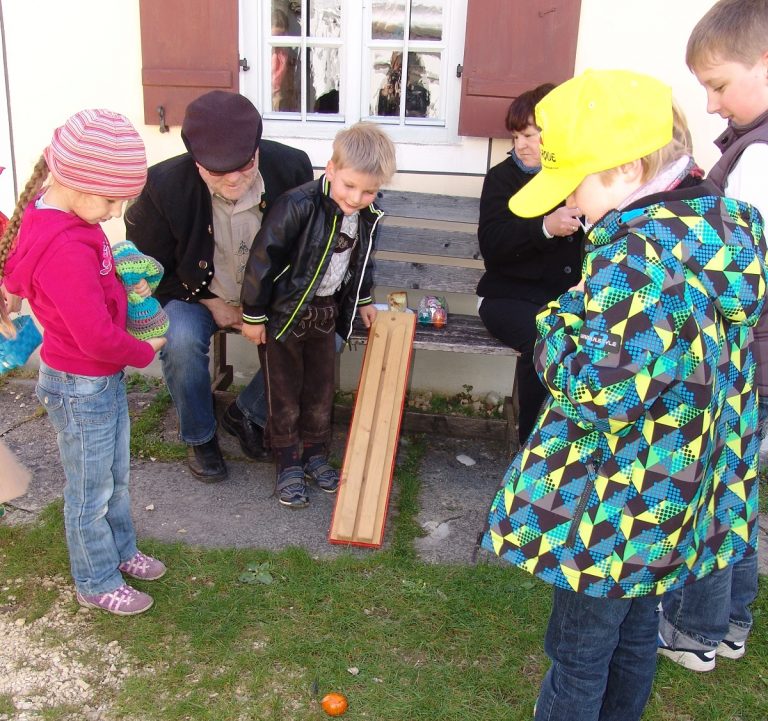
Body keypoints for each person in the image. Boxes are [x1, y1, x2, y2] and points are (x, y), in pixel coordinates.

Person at [482, 69, 766, 721]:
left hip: (620, 496)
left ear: (628, 169)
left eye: (576, 184)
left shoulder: (634, 257)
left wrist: (551, 328)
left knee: (579, 652)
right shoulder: (720, 223)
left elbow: (600, 393)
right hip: (675, 487)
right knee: (635, 631)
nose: (573, 206)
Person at [1, 109, 168, 616]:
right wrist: (145, 351)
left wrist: (125, 279)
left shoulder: (70, 218)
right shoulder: (63, 247)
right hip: (81, 385)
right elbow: (94, 335)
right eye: (112, 198)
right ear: (75, 182)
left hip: (96, 381)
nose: (117, 211)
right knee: (89, 492)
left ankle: (119, 551)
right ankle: (94, 579)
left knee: (114, 476)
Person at [658, 0, 768, 673]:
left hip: (739, 363)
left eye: (719, 83)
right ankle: (732, 620)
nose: (710, 102)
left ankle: (696, 631)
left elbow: (733, 278)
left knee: (710, 498)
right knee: (742, 491)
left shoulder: (757, 161)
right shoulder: (747, 150)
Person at [125, 90, 313, 483]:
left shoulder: (292, 168)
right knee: (177, 339)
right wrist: (209, 302)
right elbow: (149, 270)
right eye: (216, 170)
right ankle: (200, 435)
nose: (233, 178)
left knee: (322, 335)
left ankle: (247, 414)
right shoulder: (162, 186)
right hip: (192, 295)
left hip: (270, 296)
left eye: (243, 166)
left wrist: (263, 307)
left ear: (257, 149)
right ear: (196, 161)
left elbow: (305, 249)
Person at [240, 123, 396, 508]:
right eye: (349, 186)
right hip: (285, 315)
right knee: (285, 392)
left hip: (325, 315)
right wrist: (254, 315)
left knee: (320, 390)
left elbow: (361, 264)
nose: (357, 198)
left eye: (369, 190)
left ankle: (314, 454)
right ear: (330, 169)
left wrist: (361, 302)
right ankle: (288, 462)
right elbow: (262, 260)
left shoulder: (366, 216)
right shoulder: (298, 205)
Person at [476, 83, 583, 444]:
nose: (521, 144)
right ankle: (533, 445)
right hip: (507, 298)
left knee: (583, 341)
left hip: (566, 300)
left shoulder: (578, 178)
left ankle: (573, 441)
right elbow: (493, 247)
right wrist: (544, 228)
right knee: (545, 339)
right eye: (517, 135)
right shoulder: (502, 178)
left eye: (531, 135)